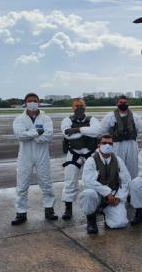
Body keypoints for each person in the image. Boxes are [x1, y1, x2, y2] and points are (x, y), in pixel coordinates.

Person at [11, 92, 56, 225]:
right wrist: (37, 132)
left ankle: (49, 209)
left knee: (46, 183)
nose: (32, 103)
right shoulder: (19, 119)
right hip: (25, 156)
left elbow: (48, 136)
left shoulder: (46, 119)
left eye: (34, 100)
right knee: (22, 185)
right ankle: (21, 212)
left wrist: (29, 133)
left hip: (42, 155)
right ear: (25, 103)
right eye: (29, 101)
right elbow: (20, 136)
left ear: (39, 102)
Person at [80, 135, 130, 233]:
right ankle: (91, 220)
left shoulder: (118, 160)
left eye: (110, 143)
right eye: (104, 143)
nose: (107, 145)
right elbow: (88, 181)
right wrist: (106, 192)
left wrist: (119, 197)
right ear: (99, 145)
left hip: (113, 196)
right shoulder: (91, 160)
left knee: (120, 223)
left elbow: (126, 180)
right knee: (88, 194)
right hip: (98, 195)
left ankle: (106, 212)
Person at [60, 98, 101, 220]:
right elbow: (68, 135)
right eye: (76, 105)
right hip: (73, 154)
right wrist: (86, 131)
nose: (79, 108)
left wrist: (77, 129)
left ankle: (95, 205)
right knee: (70, 181)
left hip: (91, 153)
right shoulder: (67, 120)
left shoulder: (92, 119)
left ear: (85, 107)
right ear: (73, 107)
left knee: (93, 180)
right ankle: (68, 208)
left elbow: (96, 132)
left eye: (81, 105)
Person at [100, 95, 142, 179]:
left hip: (131, 145)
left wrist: (132, 137)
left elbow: (141, 129)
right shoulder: (110, 116)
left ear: (128, 103)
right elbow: (103, 130)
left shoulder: (135, 116)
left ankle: (132, 186)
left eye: (125, 102)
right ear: (117, 103)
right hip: (116, 145)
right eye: (121, 102)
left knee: (132, 166)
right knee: (116, 166)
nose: (123, 104)